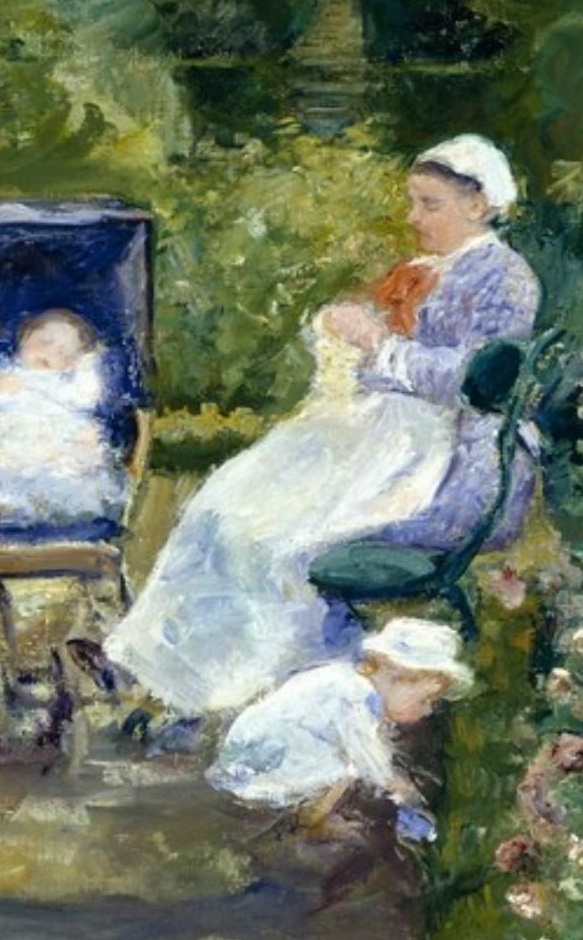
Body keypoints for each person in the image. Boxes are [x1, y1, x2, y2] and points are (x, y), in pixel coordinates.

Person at [72, 134, 540, 718]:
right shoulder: (426, 270)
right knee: (220, 508)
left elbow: (477, 382)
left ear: (479, 204)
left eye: (430, 204)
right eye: (414, 203)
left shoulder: (505, 277)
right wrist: (351, 338)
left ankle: (262, 692)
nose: (413, 218)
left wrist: (380, 346)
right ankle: (153, 669)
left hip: (450, 464)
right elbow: (389, 364)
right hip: (383, 435)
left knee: (275, 544)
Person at [205, 618, 473, 842]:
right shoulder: (355, 695)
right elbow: (370, 760)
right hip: (261, 764)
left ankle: (310, 818)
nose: (427, 711)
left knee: (343, 763)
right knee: (347, 769)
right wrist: (402, 792)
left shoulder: (345, 680)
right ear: (397, 677)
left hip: (251, 752)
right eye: (424, 700)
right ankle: (310, 826)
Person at [0, 309, 126, 534]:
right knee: (1, 467)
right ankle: (6, 504)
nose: (49, 352)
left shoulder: (63, 386)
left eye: (63, 352)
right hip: (4, 436)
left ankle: (42, 504)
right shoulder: (1, 372)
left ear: (72, 363)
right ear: (24, 340)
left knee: (69, 460)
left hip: (48, 440)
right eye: (45, 341)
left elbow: (88, 395)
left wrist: (89, 359)